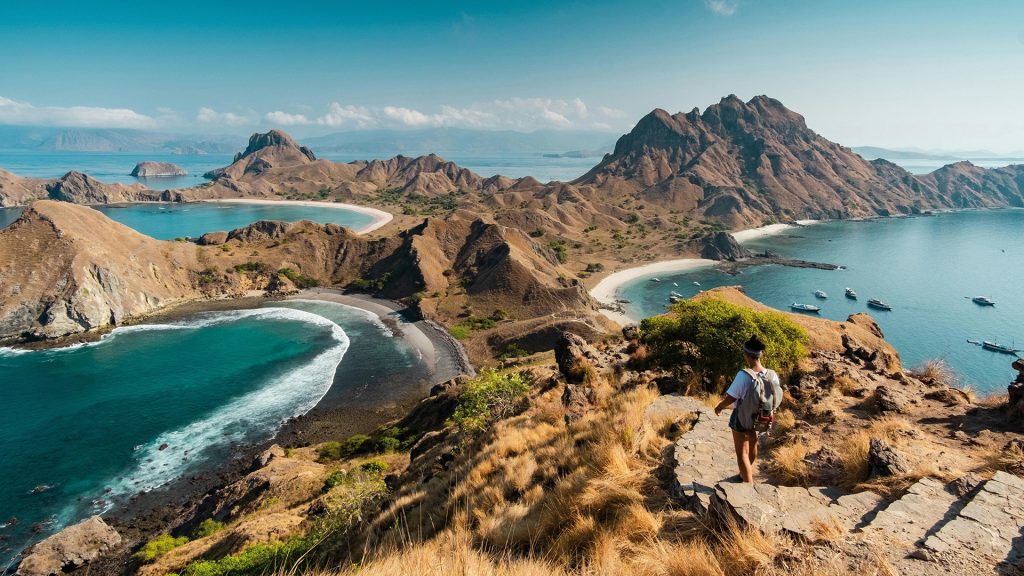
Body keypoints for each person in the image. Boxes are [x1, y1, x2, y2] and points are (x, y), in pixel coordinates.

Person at [713, 335, 780, 483]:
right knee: (752, 444)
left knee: (741, 452)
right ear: (760, 355)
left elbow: (731, 397)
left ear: (746, 355)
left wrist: (719, 407)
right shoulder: (772, 374)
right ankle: (745, 473)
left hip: (742, 417)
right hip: (761, 416)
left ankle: (748, 485)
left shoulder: (744, 375)